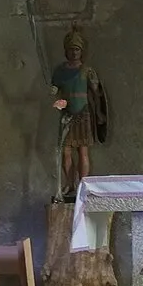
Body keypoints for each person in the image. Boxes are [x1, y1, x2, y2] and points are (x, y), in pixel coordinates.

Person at [49, 27, 106, 203]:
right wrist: (55, 93)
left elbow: (97, 94)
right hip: (67, 114)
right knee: (65, 151)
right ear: (66, 51)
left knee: (83, 151)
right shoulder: (59, 71)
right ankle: (70, 184)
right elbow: (56, 91)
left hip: (83, 113)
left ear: (81, 51)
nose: (74, 52)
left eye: (77, 49)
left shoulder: (87, 71)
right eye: (71, 49)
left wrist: (99, 112)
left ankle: (83, 184)